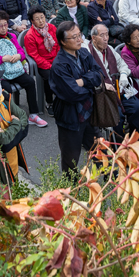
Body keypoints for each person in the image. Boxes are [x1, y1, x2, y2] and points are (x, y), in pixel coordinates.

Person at [47, 21, 104, 175]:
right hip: (70, 118)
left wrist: (82, 81)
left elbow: (99, 74)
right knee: (71, 160)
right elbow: (72, 93)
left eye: (79, 35)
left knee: (100, 152)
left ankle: (111, 183)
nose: (79, 39)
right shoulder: (59, 65)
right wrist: (90, 85)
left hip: (89, 112)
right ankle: (71, 193)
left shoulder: (84, 53)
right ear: (63, 42)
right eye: (74, 37)